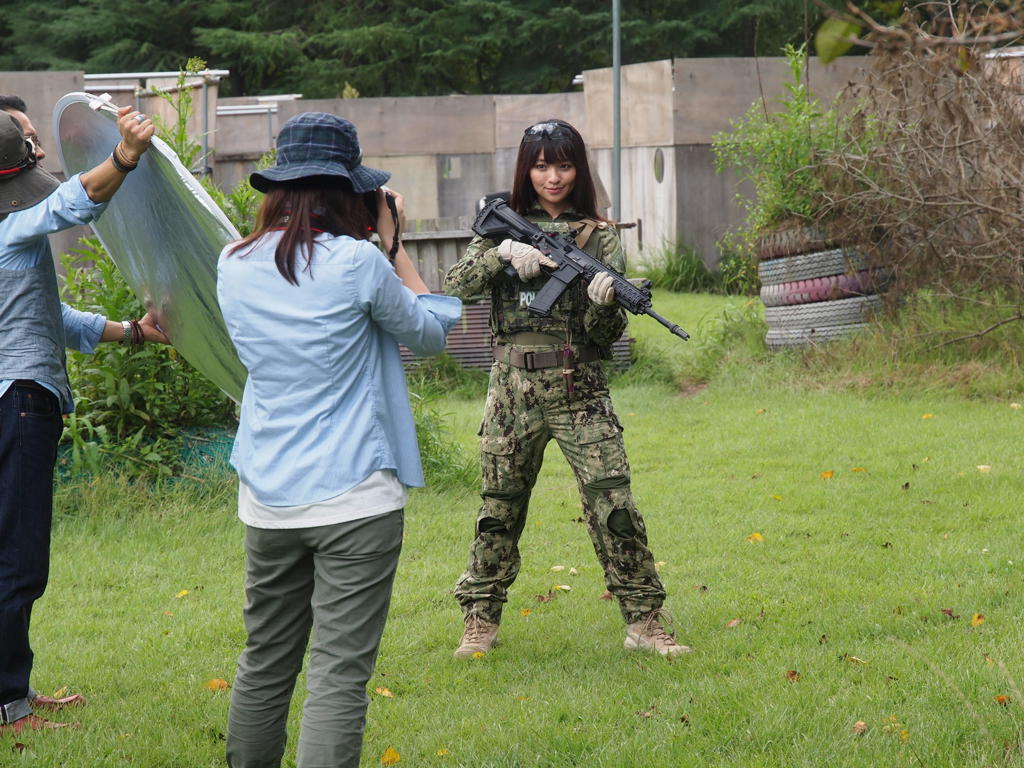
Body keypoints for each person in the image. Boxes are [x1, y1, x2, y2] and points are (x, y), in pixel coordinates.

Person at [217, 112, 461, 768]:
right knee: (337, 675)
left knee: (265, 663)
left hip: (266, 499)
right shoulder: (358, 263)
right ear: (350, 192)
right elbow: (433, 335)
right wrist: (392, 242)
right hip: (355, 499)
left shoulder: (232, 263)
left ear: (278, 189)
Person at [446, 118, 690, 658]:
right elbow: (456, 285)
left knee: (615, 506)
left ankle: (644, 620)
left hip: (580, 389)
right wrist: (502, 256)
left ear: (579, 169)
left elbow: (605, 338)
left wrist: (605, 304)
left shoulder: (597, 235)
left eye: (563, 164)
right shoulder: (500, 227)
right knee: (499, 508)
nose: (552, 176)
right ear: (524, 169)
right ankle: (480, 620)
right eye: (540, 165)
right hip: (512, 390)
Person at [0, 96, 169, 734]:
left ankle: (11, 687)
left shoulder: (11, 243)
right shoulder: (9, 229)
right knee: (17, 560)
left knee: (9, 555)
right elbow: (74, 201)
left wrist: (132, 331)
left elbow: (52, 318)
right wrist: (125, 154)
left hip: (13, 397)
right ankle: (9, 708)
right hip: (19, 403)